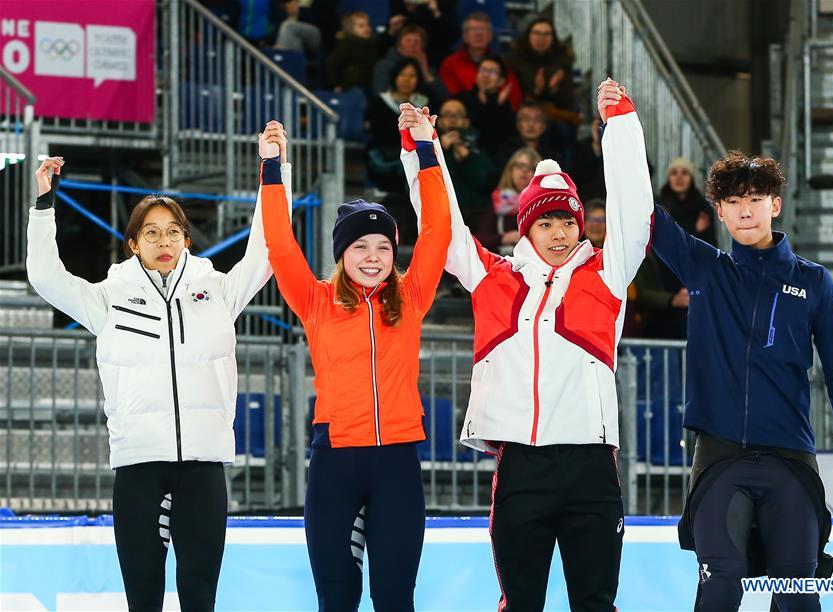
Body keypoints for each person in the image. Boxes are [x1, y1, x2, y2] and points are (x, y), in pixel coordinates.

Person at [401, 78, 653, 611]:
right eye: (546, 222)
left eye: (567, 220)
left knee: (595, 603)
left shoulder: (607, 274)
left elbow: (635, 214)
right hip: (521, 467)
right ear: (525, 228)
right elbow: (441, 230)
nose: (559, 233)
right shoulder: (495, 279)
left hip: (590, 467)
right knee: (520, 604)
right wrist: (423, 152)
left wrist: (621, 129)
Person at [26, 122, 293, 612]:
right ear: (134, 244)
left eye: (173, 231)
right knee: (143, 599)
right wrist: (44, 205)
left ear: (187, 239)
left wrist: (275, 170)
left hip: (203, 467)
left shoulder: (218, 292)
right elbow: (45, 276)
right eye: (150, 232)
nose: (163, 240)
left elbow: (266, 251)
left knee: (199, 596)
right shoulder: (107, 299)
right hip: (138, 468)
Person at [651, 151, 833, 611]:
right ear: (719, 211)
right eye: (732, 200)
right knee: (720, 584)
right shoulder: (705, 269)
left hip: (790, 456)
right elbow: (643, 216)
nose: (744, 209)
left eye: (754, 198)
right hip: (720, 457)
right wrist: (619, 130)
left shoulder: (814, 282)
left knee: (796, 592)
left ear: (775, 204)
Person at [262, 107, 450, 611]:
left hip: (397, 462)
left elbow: (437, 232)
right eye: (360, 246)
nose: (373, 256)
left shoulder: (409, 298)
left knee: (394, 599)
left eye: (383, 247)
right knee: (337, 600)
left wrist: (426, 150)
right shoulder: (316, 300)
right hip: (336, 462)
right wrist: (272, 170)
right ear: (342, 254)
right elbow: (280, 246)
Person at [365, 58, 430, 195]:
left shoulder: (424, 104)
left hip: (417, 153)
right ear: (395, 77)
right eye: (402, 74)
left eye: (412, 75)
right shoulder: (379, 102)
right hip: (387, 155)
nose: (407, 79)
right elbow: (379, 134)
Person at [439, 12, 522, 110]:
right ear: (465, 36)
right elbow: (450, 97)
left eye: (483, 30)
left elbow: (514, 96)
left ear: (490, 36)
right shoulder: (450, 63)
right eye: (473, 30)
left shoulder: (502, 63)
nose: (479, 34)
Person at [504, 18, 577, 124]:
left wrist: (552, 90)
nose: (541, 38)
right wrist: (537, 91)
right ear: (528, 35)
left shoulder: (562, 61)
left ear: (553, 38)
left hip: (553, 115)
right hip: (521, 112)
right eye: (536, 33)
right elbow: (513, 96)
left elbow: (568, 102)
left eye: (547, 34)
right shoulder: (513, 59)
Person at [436, 98, 496, 218]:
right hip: (440, 215)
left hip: (475, 216)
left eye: (458, 114)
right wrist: (442, 151)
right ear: (439, 122)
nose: (452, 119)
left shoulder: (479, 148)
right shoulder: (428, 148)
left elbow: (486, 184)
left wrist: (467, 159)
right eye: (447, 115)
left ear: (466, 121)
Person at [474, 147, 539, 252]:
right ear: (510, 170)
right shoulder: (499, 200)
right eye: (520, 166)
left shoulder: (545, 202)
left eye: (531, 167)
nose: (524, 171)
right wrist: (503, 238)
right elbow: (479, 240)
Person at [371, 24, 448, 105]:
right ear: (399, 46)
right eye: (408, 41)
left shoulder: (429, 71)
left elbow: (444, 98)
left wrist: (425, 72)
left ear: (422, 47)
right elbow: (380, 94)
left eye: (416, 42)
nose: (412, 45)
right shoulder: (384, 66)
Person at [457, 57, 517, 156]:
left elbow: (501, 136)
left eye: (493, 72)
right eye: (483, 70)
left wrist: (495, 106)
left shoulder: (504, 105)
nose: (486, 75)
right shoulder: (462, 99)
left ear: (501, 81)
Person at [659, 157, 717, 247]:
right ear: (668, 179)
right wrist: (695, 230)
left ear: (691, 179)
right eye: (674, 173)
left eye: (684, 173)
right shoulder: (660, 207)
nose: (679, 177)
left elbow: (711, 246)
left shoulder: (703, 208)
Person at [493, 100, 562, 168]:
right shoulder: (505, 152)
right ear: (518, 124)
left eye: (537, 120)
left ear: (544, 126)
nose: (531, 124)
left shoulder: (552, 158)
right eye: (526, 119)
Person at [388, 0, 459, 65]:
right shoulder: (399, 5)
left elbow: (452, 35)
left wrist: (436, 13)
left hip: (436, 58)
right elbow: (386, 42)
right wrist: (392, 30)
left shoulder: (445, 5)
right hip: (401, 60)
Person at [326, 11, 378, 92]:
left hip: (369, 85)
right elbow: (333, 64)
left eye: (368, 25)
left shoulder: (372, 44)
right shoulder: (346, 44)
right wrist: (336, 84)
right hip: (350, 86)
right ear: (350, 29)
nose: (366, 28)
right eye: (361, 26)